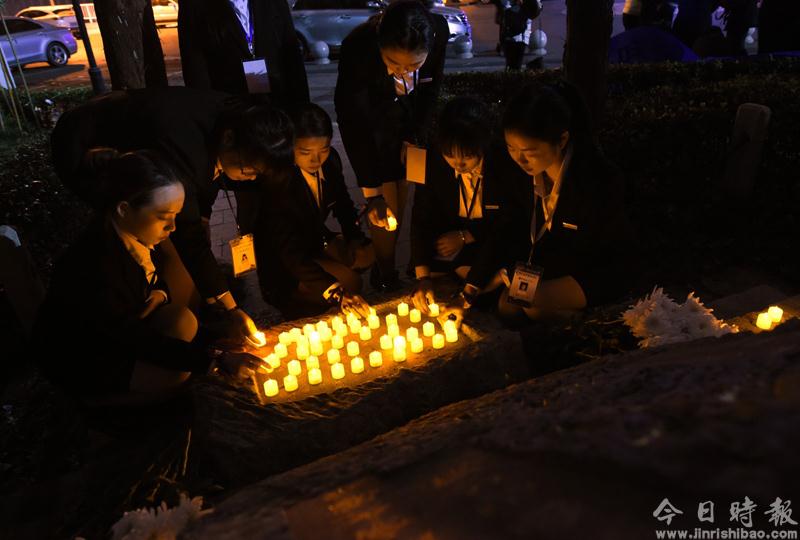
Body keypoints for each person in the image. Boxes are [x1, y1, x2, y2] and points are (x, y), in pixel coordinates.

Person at [50, 87, 295, 342]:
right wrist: (231, 308)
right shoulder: (183, 146)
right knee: (156, 238)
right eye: (248, 169)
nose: (251, 177)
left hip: (142, 140)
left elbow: (206, 181)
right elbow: (190, 235)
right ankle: (155, 325)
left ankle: (168, 301)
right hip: (83, 146)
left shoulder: (233, 120)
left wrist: (204, 220)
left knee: (178, 234)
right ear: (229, 139)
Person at [34, 150, 258, 404]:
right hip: (86, 357)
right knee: (178, 378)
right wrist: (216, 358)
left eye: (177, 215)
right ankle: (129, 417)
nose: (173, 227)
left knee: (184, 321)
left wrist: (215, 339)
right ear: (124, 209)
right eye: (163, 217)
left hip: (121, 335)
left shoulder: (133, 236)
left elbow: (152, 285)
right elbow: (130, 336)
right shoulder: (97, 263)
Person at [444, 83, 634, 325]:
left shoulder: (595, 180)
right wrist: (469, 291)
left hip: (597, 268)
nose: (519, 159)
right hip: (553, 261)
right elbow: (506, 229)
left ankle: (595, 327)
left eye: (529, 151)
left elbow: (596, 251)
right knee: (508, 307)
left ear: (562, 139)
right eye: (511, 148)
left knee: (530, 303)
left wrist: (520, 278)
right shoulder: (522, 176)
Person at [334, 0, 448, 291]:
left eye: (413, 65)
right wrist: (371, 193)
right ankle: (386, 276)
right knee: (387, 203)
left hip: (411, 123)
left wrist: (414, 137)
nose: (403, 72)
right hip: (375, 124)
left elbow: (430, 90)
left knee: (413, 190)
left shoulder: (438, 30)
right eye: (394, 63)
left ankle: (418, 266)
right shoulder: (357, 48)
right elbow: (353, 123)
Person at [254, 103, 374, 320]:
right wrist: (336, 290)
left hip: (315, 241)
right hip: (286, 262)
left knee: (366, 255)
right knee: (351, 282)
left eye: (324, 150)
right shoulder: (278, 181)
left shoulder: (331, 162)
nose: (316, 160)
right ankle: (303, 304)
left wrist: (354, 239)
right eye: (305, 152)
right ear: (289, 146)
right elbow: (288, 252)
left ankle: (324, 292)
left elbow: (343, 204)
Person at [410, 97, 522, 315]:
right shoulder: (429, 159)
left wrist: (465, 235)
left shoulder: (505, 163)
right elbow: (420, 217)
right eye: (450, 156)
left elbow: (508, 222)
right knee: (431, 280)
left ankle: (492, 279)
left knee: (480, 287)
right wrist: (422, 278)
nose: (458, 165)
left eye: (468, 158)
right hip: (454, 243)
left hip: (493, 237)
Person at [178, 0, 309, 108]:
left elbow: (293, 60)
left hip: (277, 109)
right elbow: (195, 70)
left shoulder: (273, 3)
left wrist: (303, 110)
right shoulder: (194, 4)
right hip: (230, 112)